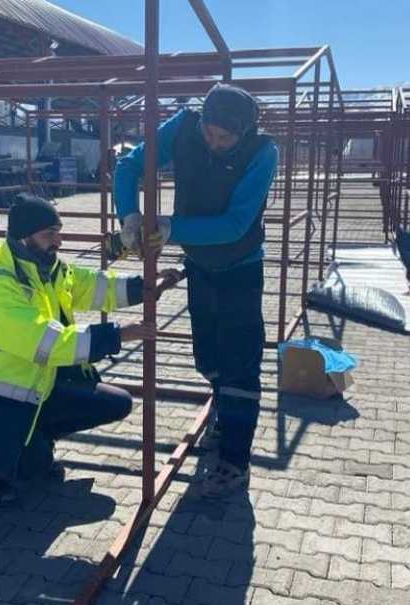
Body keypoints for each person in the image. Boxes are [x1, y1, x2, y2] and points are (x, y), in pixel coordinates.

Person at [113, 83, 278, 498]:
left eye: (225, 138)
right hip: (200, 266)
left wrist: (172, 228)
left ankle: (235, 461)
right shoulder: (184, 126)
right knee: (207, 355)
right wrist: (128, 213)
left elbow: (235, 224)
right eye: (209, 132)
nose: (214, 142)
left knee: (240, 363)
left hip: (241, 269)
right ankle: (223, 410)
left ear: (244, 132)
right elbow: (129, 166)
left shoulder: (262, 152)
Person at [0, 194, 176, 508]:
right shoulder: (0, 285)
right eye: (50, 234)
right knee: (27, 467)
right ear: (24, 236)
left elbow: (90, 285)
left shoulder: (41, 265)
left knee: (114, 403)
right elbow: (47, 343)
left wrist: (145, 286)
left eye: (58, 232)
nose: (58, 242)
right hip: (0, 397)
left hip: (35, 385)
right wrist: (118, 335)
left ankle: (34, 443)